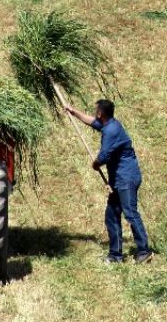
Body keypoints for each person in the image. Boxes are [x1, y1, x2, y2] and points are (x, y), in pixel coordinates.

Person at [65, 99, 153, 264]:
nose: (94, 114)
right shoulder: (109, 124)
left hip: (126, 178)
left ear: (100, 113)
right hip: (119, 179)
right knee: (111, 215)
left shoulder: (111, 131)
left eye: (96, 111)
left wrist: (95, 164)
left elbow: (103, 156)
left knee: (130, 213)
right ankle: (115, 255)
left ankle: (144, 251)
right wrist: (73, 111)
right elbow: (92, 122)